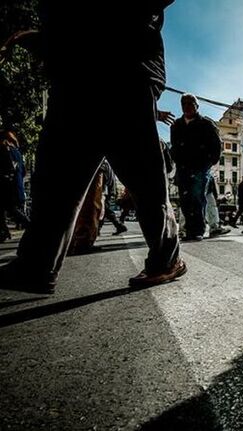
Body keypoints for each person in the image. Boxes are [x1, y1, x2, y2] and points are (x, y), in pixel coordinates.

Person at [0, 1, 185, 294]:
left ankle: (166, 256)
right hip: (74, 68)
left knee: (141, 175)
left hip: (124, 63)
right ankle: (36, 263)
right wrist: (46, 40)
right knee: (56, 175)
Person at [170, 93, 223, 242]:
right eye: (184, 103)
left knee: (197, 198)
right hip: (183, 168)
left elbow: (216, 146)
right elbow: (174, 147)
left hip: (200, 168)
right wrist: (176, 160)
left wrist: (208, 163)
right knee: (185, 200)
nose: (187, 106)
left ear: (196, 106)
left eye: (190, 103)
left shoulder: (206, 124)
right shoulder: (176, 125)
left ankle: (198, 230)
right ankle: (189, 230)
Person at [97, 159, 128, 236]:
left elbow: (104, 179)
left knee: (105, 209)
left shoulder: (103, 164)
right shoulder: (109, 164)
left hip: (105, 190)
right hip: (110, 190)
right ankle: (98, 229)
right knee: (104, 210)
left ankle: (119, 226)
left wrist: (102, 191)